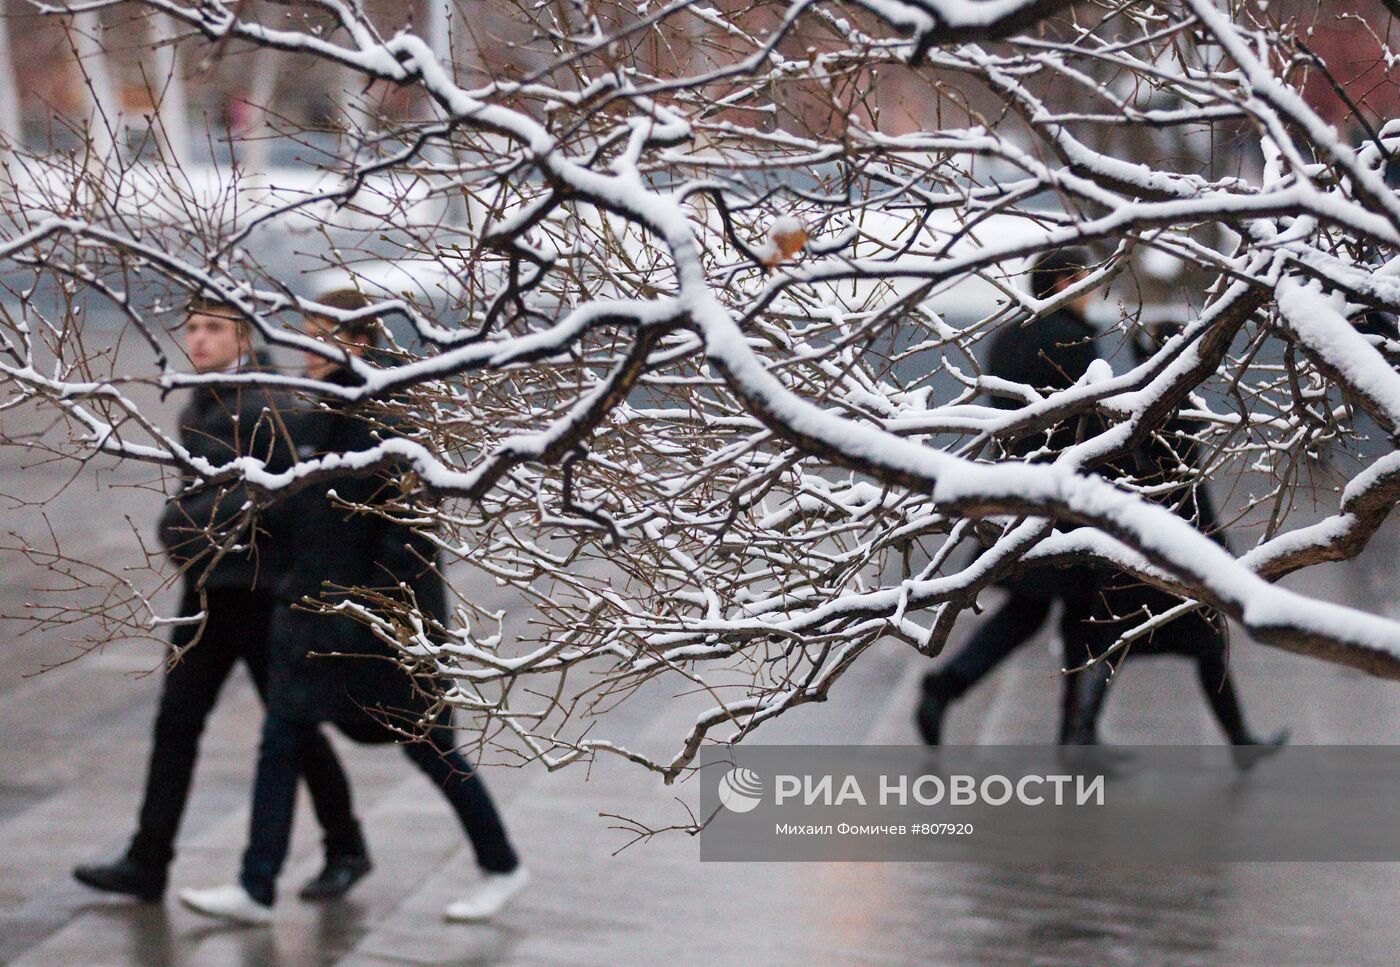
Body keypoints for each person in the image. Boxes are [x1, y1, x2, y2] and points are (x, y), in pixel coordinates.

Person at [178, 290, 527, 926]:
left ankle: (501, 863)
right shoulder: (319, 419)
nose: (308, 351)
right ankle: (256, 886)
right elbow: (285, 510)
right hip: (313, 623)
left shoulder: (385, 423)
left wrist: (375, 617)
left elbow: (406, 539)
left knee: (431, 748)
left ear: (356, 343)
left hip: (377, 631)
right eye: (307, 335)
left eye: (320, 336)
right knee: (281, 739)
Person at [73, 298, 371, 903]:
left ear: (242, 338)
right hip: (209, 589)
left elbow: (282, 498)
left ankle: (347, 847)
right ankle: (148, 860)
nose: (199, 340)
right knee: (177, 724)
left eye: (214, 329)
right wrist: (192, 528)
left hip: (256, 595)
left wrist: (183, 526)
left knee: (293, 729)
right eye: (192, 329)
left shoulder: (267, 404)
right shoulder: (205, 404)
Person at [1058, 322, 1289, 765]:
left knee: (1115, 639)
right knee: (1198, 641)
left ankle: (1082, 733)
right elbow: (1191, 491)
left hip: (1133, 544)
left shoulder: (1130, 401)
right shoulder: (1175, 405)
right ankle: (1237, 741)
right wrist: (1216, 546)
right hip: (1174, 548)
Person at [916, 248, 1104, 745]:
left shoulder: (1009, 337)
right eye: (1086, 280)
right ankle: (1075, 733)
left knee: (1032, 609)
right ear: (1062, 282)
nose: (1091, 291)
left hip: (1019, 489)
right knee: (1082, 614)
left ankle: (949, 686)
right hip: (1067, 496)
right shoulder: (1075, 338)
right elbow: (1091, 422)